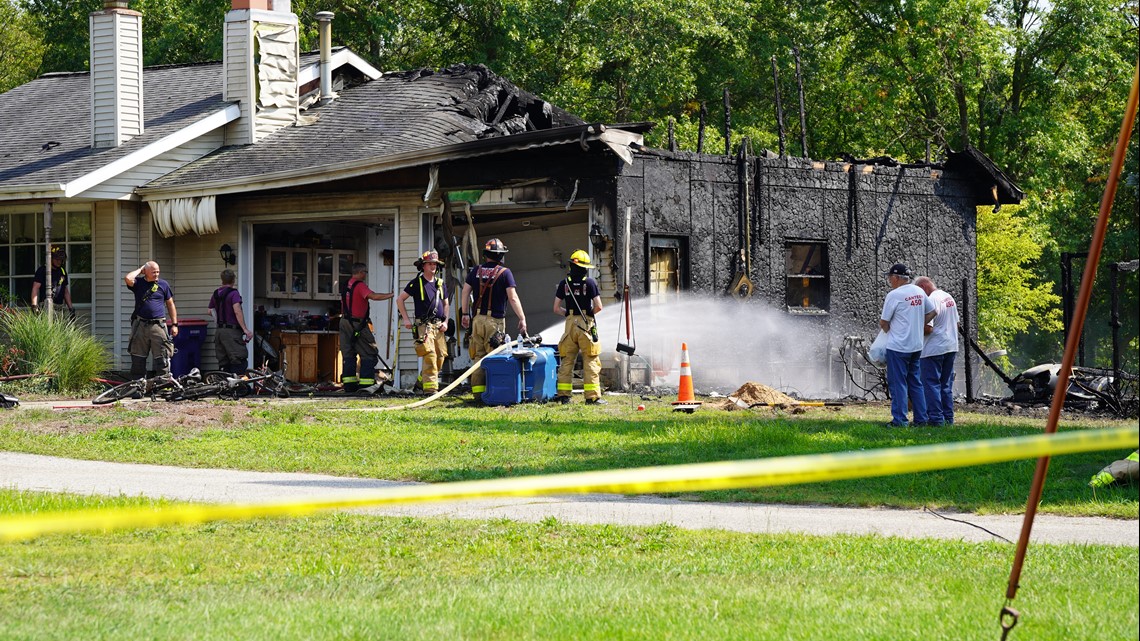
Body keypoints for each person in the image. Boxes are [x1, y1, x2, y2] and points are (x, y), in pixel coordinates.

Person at [460, 238, 527, 403]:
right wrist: (522, 318)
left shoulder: (476, 270)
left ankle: (478, 395)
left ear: (486, 255)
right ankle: (492, 394)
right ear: (501, 256)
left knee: (478, 357)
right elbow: (512, 297)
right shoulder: (505, 273)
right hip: (494, 322)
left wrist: (465, 314)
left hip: (477, 320)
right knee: (494, 357)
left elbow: (465, 291)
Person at [879, 263, 935, 427]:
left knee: (898, 383)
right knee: (915, 382)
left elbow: (884, 322)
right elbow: (932, 312)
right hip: (916, 346)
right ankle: (921, 419)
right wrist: (917, 324)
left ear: (896, 278)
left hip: (898, 347)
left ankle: (900, 420)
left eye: (890, 277)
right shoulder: (919, 291)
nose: (889, 280)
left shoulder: (894, 295)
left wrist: (890, 332)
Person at [553, 250, 605, 404]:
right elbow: (599, 307)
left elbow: (556, 308)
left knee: (567, 360)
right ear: (584, 267)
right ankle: (592, 397)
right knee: (591, 360)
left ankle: (563, 396)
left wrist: (570, 316)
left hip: (569, 324)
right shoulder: (590, 283)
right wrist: (588, 315)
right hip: (585, 323)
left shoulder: (564, 283)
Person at [397, 250, 450, 395]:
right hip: (424, 327)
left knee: (441, 356)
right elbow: (400, 299)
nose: (433, 266)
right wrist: (406, 319)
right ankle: (430, 390)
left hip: (439, 326)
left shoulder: (440, 283)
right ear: (423, 266)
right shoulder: (416, 283)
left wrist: (445, 321)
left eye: (435, 264)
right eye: (430, 264)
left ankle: (421, 381)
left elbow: (446, 304)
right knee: (430, 356)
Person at [340, 262, 393, 394]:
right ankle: (367, 385)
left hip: (344, 322)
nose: (366, 275)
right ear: (361, 272)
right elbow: (373, 296)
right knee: (370, 353)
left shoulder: (346, 284)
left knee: (348, 354)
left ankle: (349, 386)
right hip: (358, 324)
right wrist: (392, 295)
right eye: (365, 272)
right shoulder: (360, 285)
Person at [915, 276, 959, 426]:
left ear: (923, 287)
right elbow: (957, 324)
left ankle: (935, 419)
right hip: (951, 346)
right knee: (945, 385)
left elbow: (928, 328)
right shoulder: (948, 297)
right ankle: (948, 418)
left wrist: (910, 331)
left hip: (933, 349)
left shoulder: (932, 299)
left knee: (931, 384)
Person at [124, 261, 178, 379]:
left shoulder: (163, 284)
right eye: (153, 272)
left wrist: (174, 324)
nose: (156, 274)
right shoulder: (138, 283)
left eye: (158, 271)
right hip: (140, 325)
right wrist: (140, 269)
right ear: (146, 272)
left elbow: (170, 305)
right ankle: (137, 387)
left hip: (158, 325)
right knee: (138, 359)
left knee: (163, 357)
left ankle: (164, 386)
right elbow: (128, 278)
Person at [207, 269, 254, 375]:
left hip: (219, 332)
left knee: (224, 362)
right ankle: (238, 388)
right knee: (238, 360)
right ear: (233, 280)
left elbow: (210, 311)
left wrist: (219, 320)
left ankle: (225, 387)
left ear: (222, 280)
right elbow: (237, 311)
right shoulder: (234, 294)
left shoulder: (216, 293)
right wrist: (245, 330)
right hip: (231, 332)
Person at [31, 246, 74, 317]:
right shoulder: (42, 270)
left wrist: (71, 308)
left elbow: (65, 291)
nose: (59, 261)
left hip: (59, 308)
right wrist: (34, 306)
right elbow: (35, 288)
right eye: (57, 259)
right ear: (50, 259)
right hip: (46, 307)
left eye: (61, 259)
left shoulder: (62, 272)